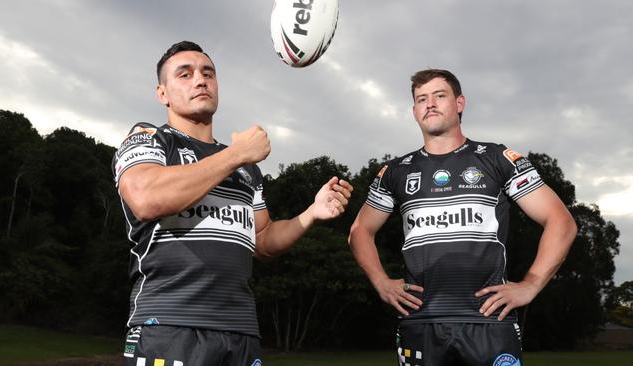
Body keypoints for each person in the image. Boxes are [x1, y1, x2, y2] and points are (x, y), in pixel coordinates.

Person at [112, 41, 353, 366]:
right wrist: (237, 153)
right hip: (169, 326)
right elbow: (145, 197)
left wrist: (311, 214)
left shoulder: (245, 168)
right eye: (185, 74)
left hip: (240, 332)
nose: (200, 80)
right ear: (162, 93)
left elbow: (263, 241)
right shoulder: (151, 140)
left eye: (208, 73)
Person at [348, 69, 577, 366]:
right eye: (421, 99)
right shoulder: (396, 171)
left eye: (439, 96)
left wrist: (531, 284)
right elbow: (360, 231)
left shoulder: (496, 158)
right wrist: (380, 281)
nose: (429, 104)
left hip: (489, 323)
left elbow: (561, 222)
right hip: (420, 324)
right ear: (414, 111)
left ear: (459, 103)